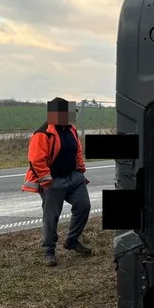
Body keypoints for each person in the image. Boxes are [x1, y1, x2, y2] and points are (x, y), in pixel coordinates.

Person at [22, 98, 93, 266]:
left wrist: (80, 171)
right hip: (53, 181)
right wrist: (47, 181)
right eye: (69, 113)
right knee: (51, 217)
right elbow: (36, 160)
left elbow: (77, 151)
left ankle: (72, 240)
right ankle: (49, 250)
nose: (72, 117)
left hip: (73, 177)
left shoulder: (71, 130)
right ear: (57, 115)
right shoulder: (42, 133)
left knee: (84, 206)